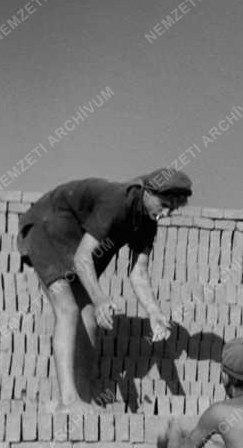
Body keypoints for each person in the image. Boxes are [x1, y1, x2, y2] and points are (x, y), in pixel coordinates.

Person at [17, 168, 191, 409]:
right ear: (148, 192)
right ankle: (67, 401)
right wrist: (100, 300)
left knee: (88, 317)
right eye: (164, 204)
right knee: (68, 310)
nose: (166, 213)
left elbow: (138, 273)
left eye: (174, 209)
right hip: (47, 229)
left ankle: (84, 398)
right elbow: (82, 259)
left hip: (75, 240)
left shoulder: (148, 222)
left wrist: (154, 311)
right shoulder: (116, 201)